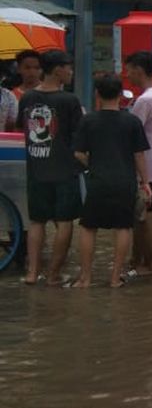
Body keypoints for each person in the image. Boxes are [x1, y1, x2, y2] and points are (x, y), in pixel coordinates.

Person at [72, 73, 151, 288]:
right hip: (125, 181)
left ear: (97, 94)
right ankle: (115, 278)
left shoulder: (88, 120)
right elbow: (139, 155)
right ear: (120, 94)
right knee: (123, 227)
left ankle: (85, 278)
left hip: (98, 181)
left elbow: (78, 153)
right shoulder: (132, 121)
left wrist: (93, 165)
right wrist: (145, 182)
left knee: (88, 227)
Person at [17, 49, 82, 285]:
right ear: (57, 70)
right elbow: (80, 138)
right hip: (64, 171)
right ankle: (53, 275)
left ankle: (32, 273)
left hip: (36, 170)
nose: (71, 72)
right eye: (69, 67)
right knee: (64, 222)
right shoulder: (70, 101)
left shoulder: (26, 98)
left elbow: (21, 128)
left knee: (37, 221)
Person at [125, 51, 152, 276]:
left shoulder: (145, 100)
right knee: (143, 216)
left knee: (145, 217)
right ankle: (138, 261)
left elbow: (131, 134)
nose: (127, 74)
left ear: (139, 70)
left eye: (129, 70)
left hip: (145, 169)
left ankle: (148, 264)